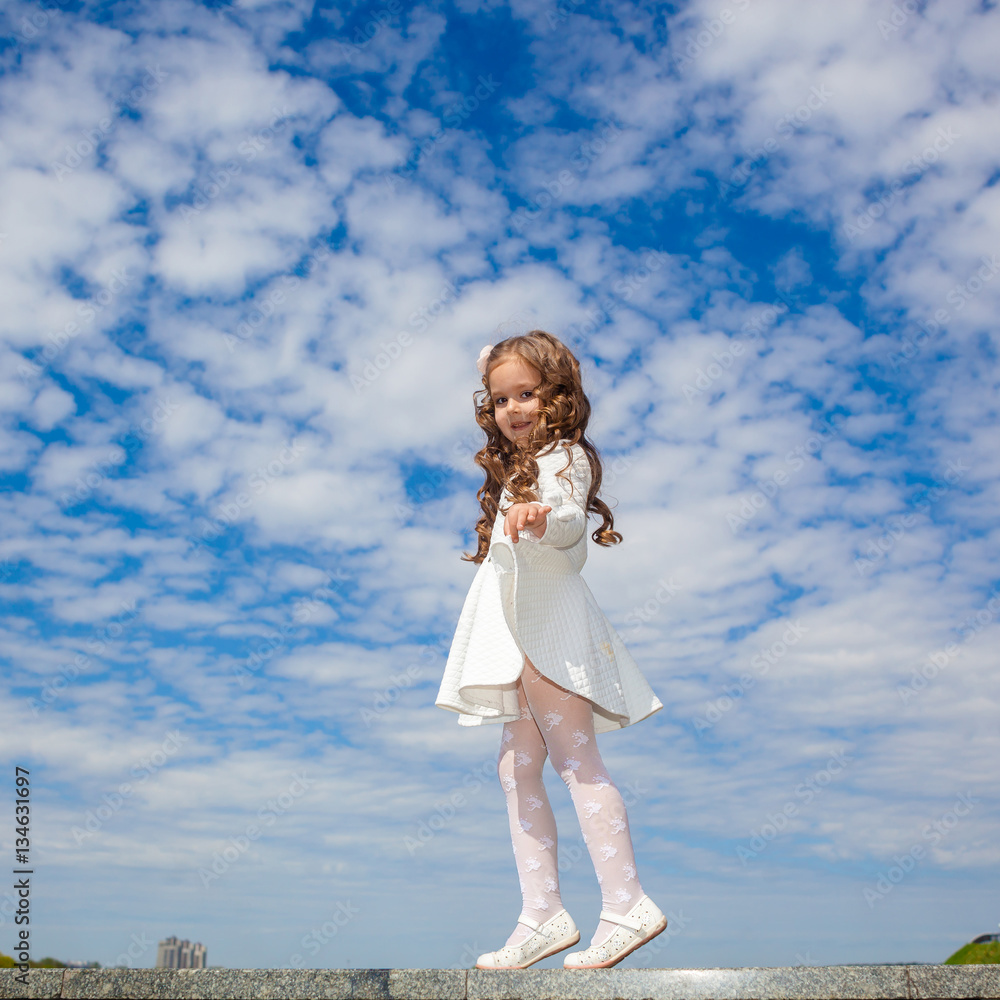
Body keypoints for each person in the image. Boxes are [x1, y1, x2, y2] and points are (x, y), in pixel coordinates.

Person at [435, 331, 667, 970]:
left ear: (558, 397)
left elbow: (568, 523)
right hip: (520, 638)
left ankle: (627, 903)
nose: (513, 408)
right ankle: (542, 913)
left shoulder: (565, 459)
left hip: (550, 635)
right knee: (516, 769)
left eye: (527, 394)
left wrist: (541, 517)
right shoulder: (518, 470)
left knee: (576, 761)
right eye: (500, 397)